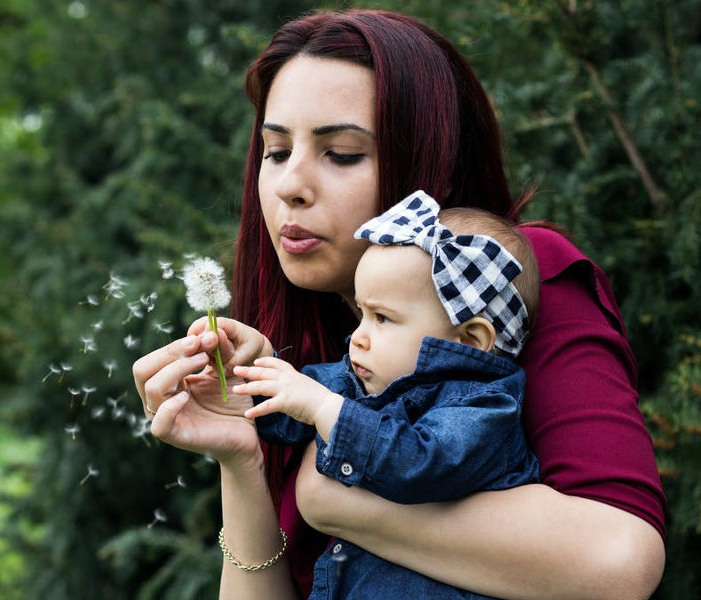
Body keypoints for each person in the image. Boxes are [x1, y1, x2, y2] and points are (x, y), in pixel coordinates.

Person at [133, 9, 665, 600]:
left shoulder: (510, 279)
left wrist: (328, 492)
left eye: (341, 153)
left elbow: (620, 561)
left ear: (427, 155)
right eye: (277, 150)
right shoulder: (314, 334)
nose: (290, 185)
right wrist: (240, 457)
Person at [231, 191, 542, 598]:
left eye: (382, 318)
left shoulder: (485, 406)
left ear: (470, 339)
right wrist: (243, 378)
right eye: (362, 315)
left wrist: (325, 408)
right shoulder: (361, 379)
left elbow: (421, 463)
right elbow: (290, 408)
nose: (358, 338)